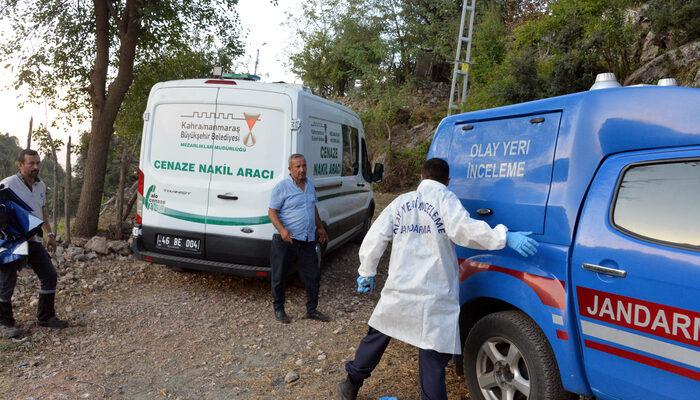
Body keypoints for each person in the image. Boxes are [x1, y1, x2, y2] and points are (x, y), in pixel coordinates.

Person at [336, 158, 538, 400]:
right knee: (432, 356)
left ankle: (350, 384)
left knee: (378, 335)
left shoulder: (401, 201)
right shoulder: (445, 199)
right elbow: (465, 231)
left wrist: (366, 271)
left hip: (400, 288)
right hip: (434, 293)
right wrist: (504, 237)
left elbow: (376, 235)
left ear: (422, 177)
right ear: (448, 181)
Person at [0, 149, 69, 339]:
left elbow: (42, 211)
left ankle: (46, 317)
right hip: (12, 242)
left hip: (33, 239)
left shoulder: (41, 186)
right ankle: (4, 322)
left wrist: (50, 234)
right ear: (20, 165)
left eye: (38, 163)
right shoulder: (8, 184)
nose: (35, 167)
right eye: (31, 163)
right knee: (7, 282)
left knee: (49, 275)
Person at [268, 153, 330, 324]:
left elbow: (312, 208)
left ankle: (312, 310)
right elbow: (271, 211)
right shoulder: (282, 187)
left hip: (308, 240)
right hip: (286, 241)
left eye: (304, 166)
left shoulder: (310, 186)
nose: (302, 169)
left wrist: (319, 227)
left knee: (313, 275)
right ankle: (279, 309)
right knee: (279, 276)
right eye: (298, 166)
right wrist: (282, 230)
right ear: (290, 169)